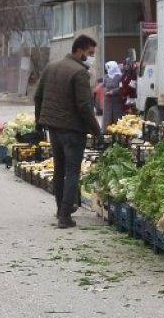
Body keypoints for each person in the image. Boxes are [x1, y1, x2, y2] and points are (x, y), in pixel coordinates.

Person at [34, 34, 100, 228]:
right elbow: (84, 106)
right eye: (90, 53)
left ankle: (59, 208)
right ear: (79, 51)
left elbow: (38, 96)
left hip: (54, 127)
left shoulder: (51, 67)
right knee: (72, 171)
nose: (91, 57)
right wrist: (97, 131)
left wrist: (39, 122)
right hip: (72, 129)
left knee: (59, 168)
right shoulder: (80, 72)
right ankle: (65, 215)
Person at [102, 60, 124, 132]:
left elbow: (121, 87)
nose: (108, 69)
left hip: (116, 100)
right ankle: (106, 134)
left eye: (109, 67)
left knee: (116, 119)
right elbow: (103, 86)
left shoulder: (120, 76)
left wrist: (113, 92)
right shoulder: (106, 76)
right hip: (107, 100)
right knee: (107, 119)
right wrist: (106, 91)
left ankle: (117, 134)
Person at [121, 50, 138, 115]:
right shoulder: (123, 75)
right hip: (124, 99)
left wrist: (124, 93)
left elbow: (131, 86)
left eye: (127, 64)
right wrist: (122, 93)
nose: (126, 66)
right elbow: (121, 85)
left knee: (132, 116)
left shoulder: (133, 75)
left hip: (131, 98)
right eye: (125, 64)